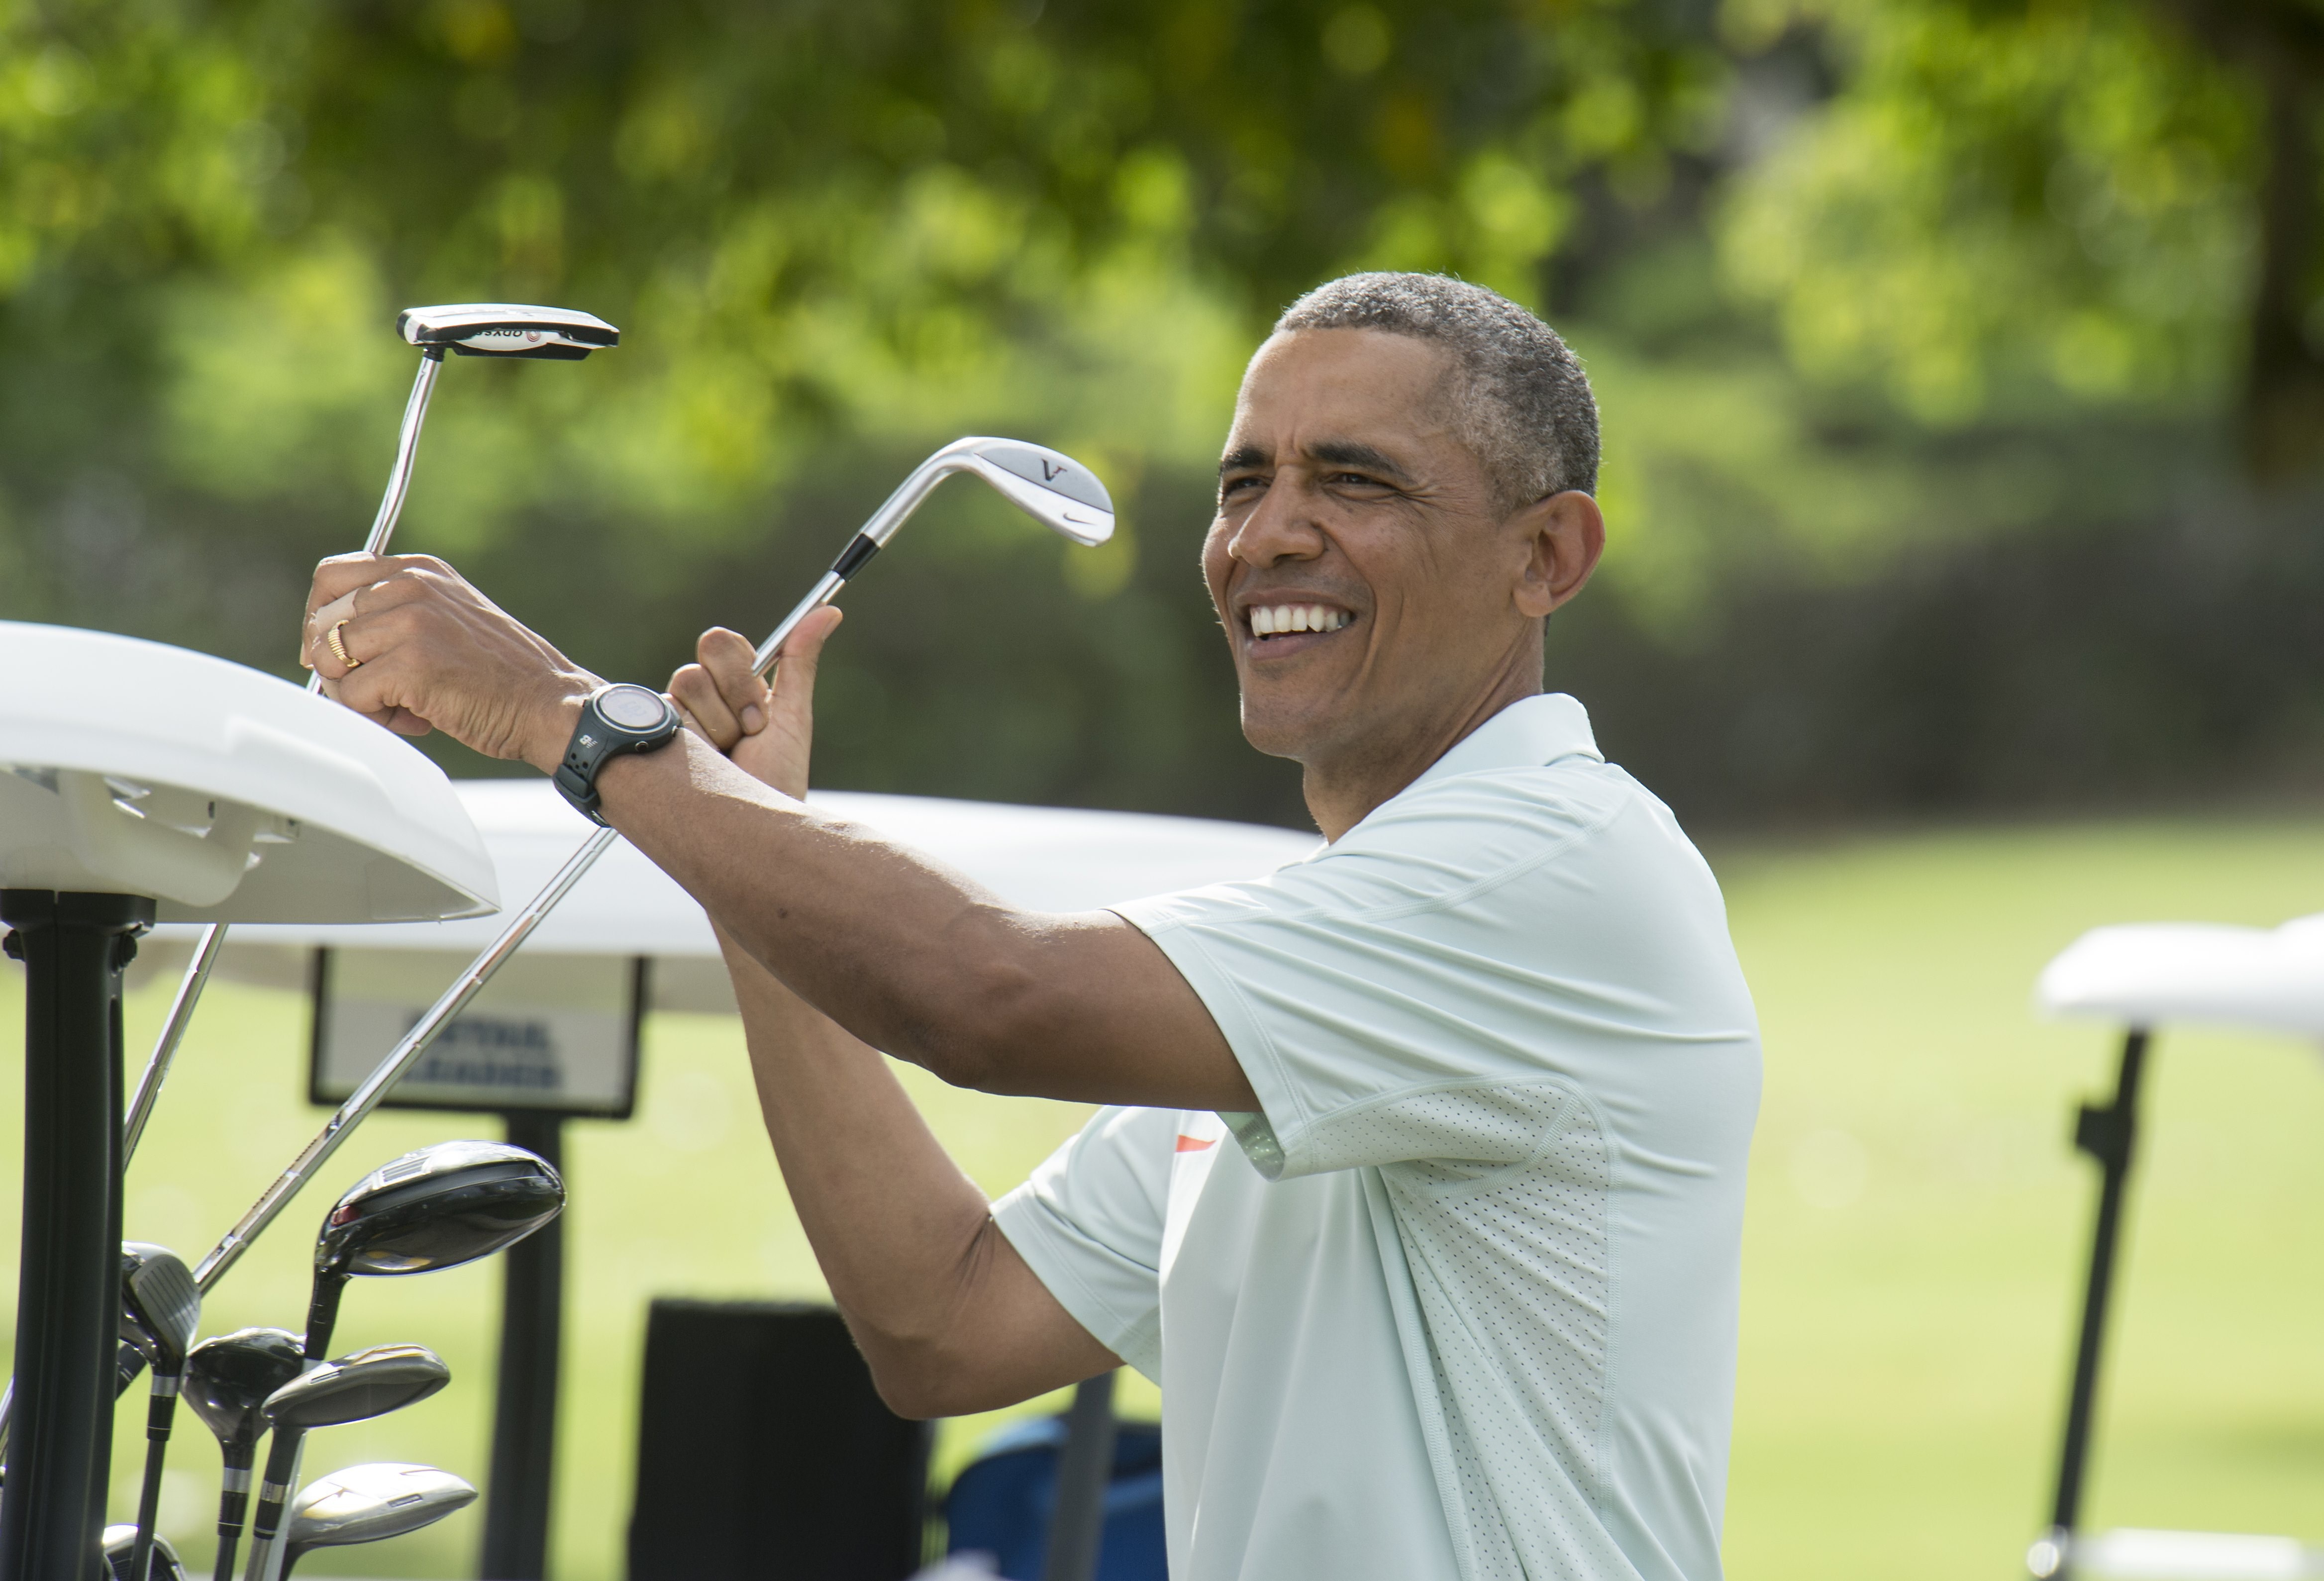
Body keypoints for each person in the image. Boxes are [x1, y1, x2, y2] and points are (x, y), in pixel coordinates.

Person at [299, 272, 1760, 1581]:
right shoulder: (1326, 950)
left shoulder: (1551, 867)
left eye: (1356, 480)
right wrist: (746, 865)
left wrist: (576, 721)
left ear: (1549, 556)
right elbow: (948, 1320)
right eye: (1242, 480)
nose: (1268, 534)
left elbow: (989, 995)